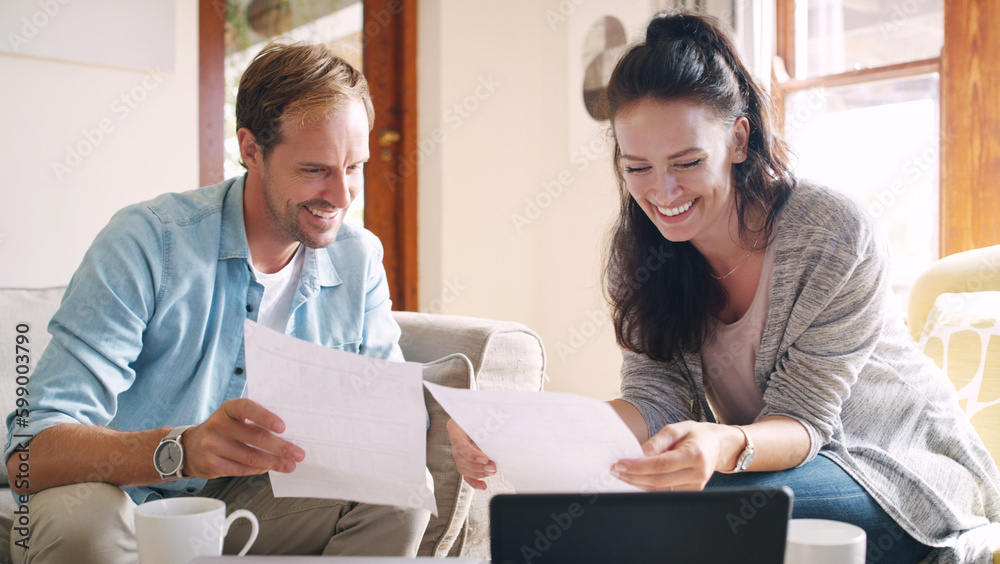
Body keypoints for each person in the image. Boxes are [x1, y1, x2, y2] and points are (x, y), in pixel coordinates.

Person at [448, 10, 1000, 563]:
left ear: (738, 139)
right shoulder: (640, 253)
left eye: (687, 162)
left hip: (898, 467)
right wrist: (520, 429)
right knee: (598, 501)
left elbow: (806, 419)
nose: (662, 192)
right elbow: (654, 399)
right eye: (637, 167)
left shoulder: (833, 232)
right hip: (769, 465)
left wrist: (724, 443)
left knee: (676, 517)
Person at [4, 41, 430, 563]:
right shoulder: (147, 242)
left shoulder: (358, 257)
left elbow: (385, 421)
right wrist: (180, 449)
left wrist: (449, 431)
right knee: (84, 527)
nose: (342, 196)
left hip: (243, 506)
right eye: (315, 169)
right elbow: (29, 451)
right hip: (117, 497)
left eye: (355, 167)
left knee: (401, 487)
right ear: (250, 149)